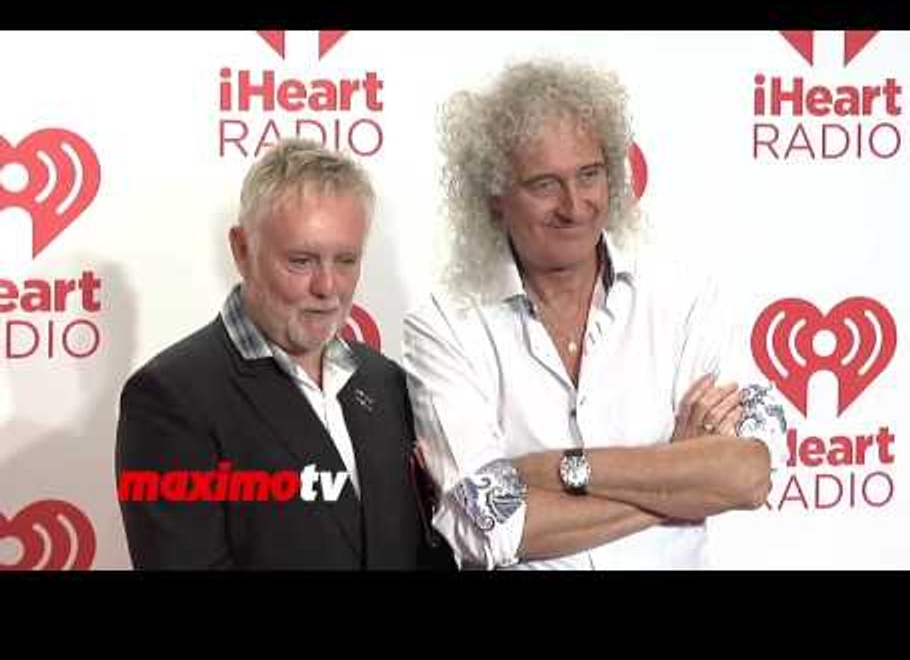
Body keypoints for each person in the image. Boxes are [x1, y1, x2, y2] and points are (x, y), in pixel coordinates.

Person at [402, 59, 787, 570]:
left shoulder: (684, 299)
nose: (575, 205)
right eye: (544, 185)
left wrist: (561, 471)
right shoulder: (445, 327)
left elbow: (749, 475)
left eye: (590, 175)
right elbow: (492, 528)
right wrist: (678, 475)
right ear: (495, 199)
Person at [116, 138, 453, 570]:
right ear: (241, 250)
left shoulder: (385, 381)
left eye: (347, 260)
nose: (328, 287)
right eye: (301, 260)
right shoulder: (170, 398)